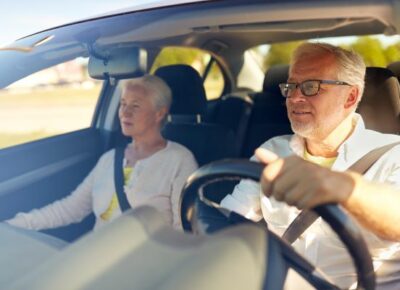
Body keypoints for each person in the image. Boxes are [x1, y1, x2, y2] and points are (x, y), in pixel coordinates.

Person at [220, 42, 400, 289]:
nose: (294, 97)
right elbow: (230, 220)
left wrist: (342, 187)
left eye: (311, 86)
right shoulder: (273, 150)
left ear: (351, 96)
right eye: (291, 86)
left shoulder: (393, 154)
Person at [6, 75, 198, 231]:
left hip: (143, 261)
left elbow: (181, 228)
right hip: (96, 256)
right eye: (123, 104)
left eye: (136, 106)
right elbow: (70, 208)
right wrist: (13, 225)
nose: (125, 112)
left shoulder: (179, 159)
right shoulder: (110, 159)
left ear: (159, 113)